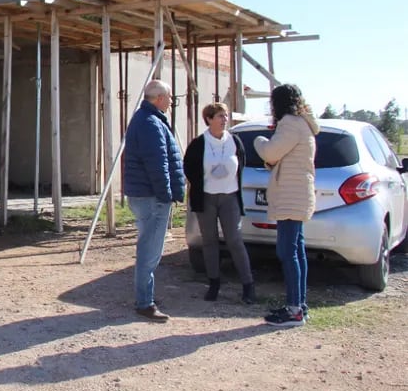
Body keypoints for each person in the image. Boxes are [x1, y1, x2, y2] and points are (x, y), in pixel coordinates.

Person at [254, 84, 319, 327]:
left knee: (287, 251)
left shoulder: (290, 123)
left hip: (291, 196)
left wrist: (259, 141)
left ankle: (294, 310)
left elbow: (271, 152)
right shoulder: (303, 123)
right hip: (298, 193)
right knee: (297, 250)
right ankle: (299, 304)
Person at [123, 79, 186, 322]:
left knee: (149, 247)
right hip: (152, 196)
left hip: (147, 194)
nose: (171, 101)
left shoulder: (148, 120)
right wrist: (166, 194)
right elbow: (158, 164)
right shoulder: (150, 123)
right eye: (169, 97)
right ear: (159, 98)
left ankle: (145, 298)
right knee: (150, 250)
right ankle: (144, 302)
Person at [184, 102, 256, 303]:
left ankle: (248, 285)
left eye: (225, 116)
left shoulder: (234, 141)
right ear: (208, 119)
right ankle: (214, 283)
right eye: (219, 116)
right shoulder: (199, 143)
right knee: (209, 241)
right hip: (206, 197)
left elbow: (242, 163)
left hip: (229, 196)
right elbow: (189, 168)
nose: (224, 120)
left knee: (234, 239)